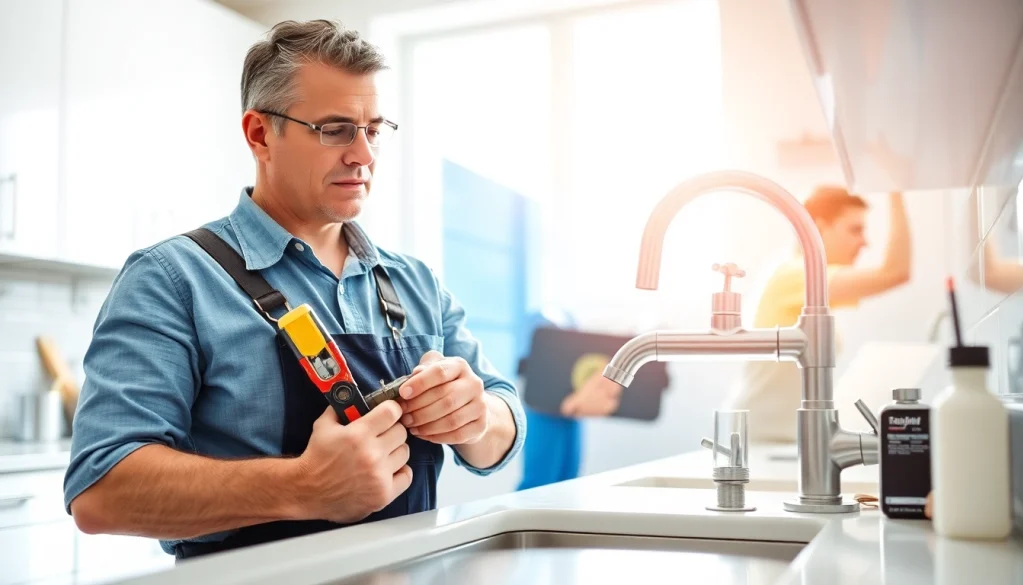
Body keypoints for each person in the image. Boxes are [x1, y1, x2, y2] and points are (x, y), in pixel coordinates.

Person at [62, 20, 525, 560]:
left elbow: (503, 426)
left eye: (373, 130)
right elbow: (100, 493)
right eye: (334, 130)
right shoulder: (171, 279)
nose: (364, 155)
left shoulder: (415, 281)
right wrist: (303, 486)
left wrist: (475, 418)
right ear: (260, 134)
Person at [727, 187, 911, 442]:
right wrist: (894, 187)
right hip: (762, 437)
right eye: (855, 229)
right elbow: (894, 273)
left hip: (786, 437)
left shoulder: (805, 282)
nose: (865, 242)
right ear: (820, 229)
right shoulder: (795, 274)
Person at [514, 310, 623, 490]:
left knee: (568, 481)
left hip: (571, 406)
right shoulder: (538, 319)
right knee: (539, 482)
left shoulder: (569, 319)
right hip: (541, 407)